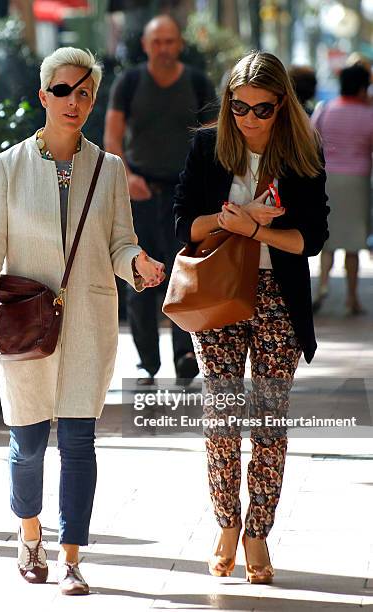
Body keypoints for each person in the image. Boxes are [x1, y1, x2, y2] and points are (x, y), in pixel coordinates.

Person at [0, 47, 165, 596]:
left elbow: (120, 243)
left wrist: (138, 265)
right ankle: (30, 538)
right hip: (25, 322)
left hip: (89, 322)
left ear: (93, 98)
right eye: (62, 91)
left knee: (78, 442)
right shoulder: (6, 167)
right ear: (42, 96)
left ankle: (71, 556)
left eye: (84, 92)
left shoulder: (110, 169)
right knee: (27, 443)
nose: (73, 102)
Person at [173, 51, 329, 584]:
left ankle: (258, 531)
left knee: (266, 421)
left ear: (282, 105)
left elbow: (312, 239)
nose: (248, 119)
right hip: (218, 290)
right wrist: (225, 219)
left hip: (277, 297)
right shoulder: (208, 147)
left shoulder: (303, 155)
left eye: (261, 109)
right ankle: (226, 524)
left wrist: (256, 231)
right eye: (238, 107)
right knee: (221, 417)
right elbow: (181, 225)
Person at [104, 14, 217, 385]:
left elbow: (216, 135)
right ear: (146, 46)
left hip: (186, 195)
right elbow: (113, 137)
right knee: (139, 276)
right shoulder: (130, 82)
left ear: (179, 44)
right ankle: (147, 361)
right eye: (157, 42)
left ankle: (185, 354)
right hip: (141, 193)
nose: (164, 48)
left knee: (186, 276)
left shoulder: (197, 82)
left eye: (170, 41)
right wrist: (127, 178)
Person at [311, 64, 373, 315]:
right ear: (362, 87)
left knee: (328, 238)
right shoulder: (368, 114)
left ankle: (323, 287)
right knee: (353, 242)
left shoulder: (325, 110)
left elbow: (312, 138)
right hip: (357, 180)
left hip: (328, 179)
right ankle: (351, 298)